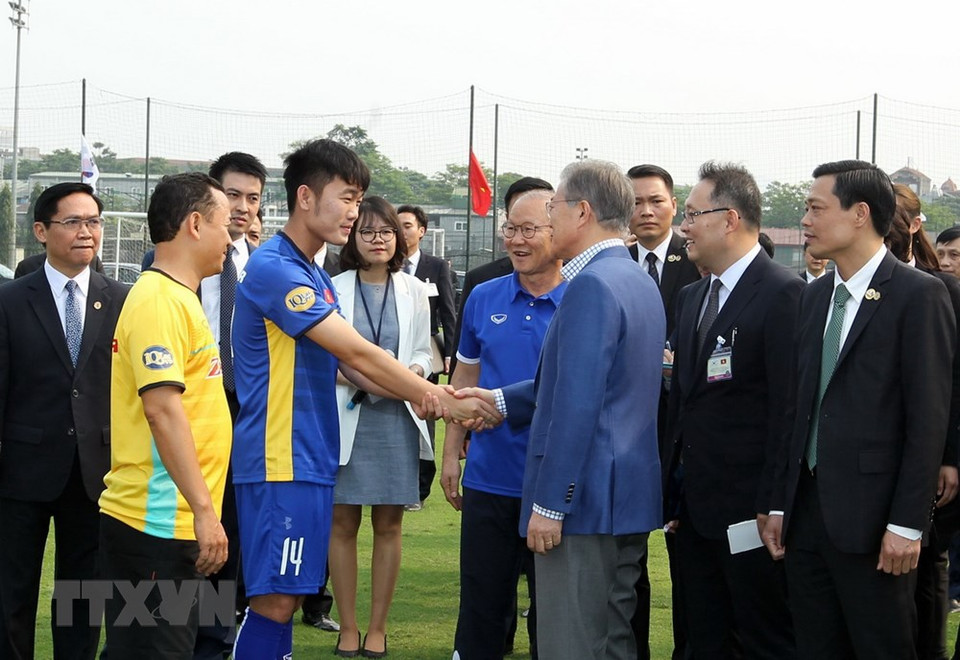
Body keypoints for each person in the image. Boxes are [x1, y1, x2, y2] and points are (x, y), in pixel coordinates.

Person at [229, 139, 496, 660]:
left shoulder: (311, 273)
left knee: (286, 597)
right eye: (347, 197)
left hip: (308, 458)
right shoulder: (275, 268)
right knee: (274, 599)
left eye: (360, 200)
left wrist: (437, 395)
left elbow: (353, 367)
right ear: (305, 197)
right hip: (278, 459)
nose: (355, 211)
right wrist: (437, 396)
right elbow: (357, 351)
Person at [460, 159, 664, 659]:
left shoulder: (592, 285)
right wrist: (501, 400)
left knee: (570, 645)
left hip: (584, 506)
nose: (547, 219)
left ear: (583, 212)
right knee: (611, 640)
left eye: (553, 207)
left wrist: (550, 504)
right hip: (621, 500)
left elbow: (578, 405)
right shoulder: (634, 278)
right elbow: (584, 380)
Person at [763, 160, 955, 659]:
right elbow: (796, 407)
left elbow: (927, 420)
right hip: (806, 521)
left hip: (875, 526)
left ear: (859, 214)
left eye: (815, 208)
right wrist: (781, 502)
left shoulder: (919, 296)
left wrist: (908, 523)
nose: (805, 220)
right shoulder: (812, 297)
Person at [664, 161, 800, 660]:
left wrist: (777, 503)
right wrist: (673, 495)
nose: (684, 227)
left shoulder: (785, 294)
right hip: (693, 513)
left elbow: (790, 411)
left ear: (730, 219)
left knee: (763, 638)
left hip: (753, 514)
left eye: (694, 214)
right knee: (703, 637)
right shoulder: (693, 295)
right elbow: (684, 404)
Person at [99, 172, 234, 657]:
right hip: (155, 523)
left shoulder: (178, 297)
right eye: (224, 224)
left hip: (170, 523)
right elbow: (161, 410)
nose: (231, 238)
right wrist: (203, 511)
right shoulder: (159, 300)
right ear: (195, 224)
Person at [0, 183, 127, 659]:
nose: (86, 232)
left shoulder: (123, 299)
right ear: (41, 231)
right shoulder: (11, 301)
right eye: (72, 222)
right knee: (12, 592)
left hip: (97, 471)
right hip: (22, 470)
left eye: (93, 222)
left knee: (82, 596)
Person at [442, 188, 564, 660]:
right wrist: (452, 452)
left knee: (551, 614)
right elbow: (464, 377)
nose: (516, 239)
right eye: (510, 228)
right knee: (482, 604)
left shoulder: (582, 297)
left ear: (559, 232)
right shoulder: (484, 296)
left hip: (552, 484)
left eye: (528, 229)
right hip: (490, 478)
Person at [326, 196, 433, 657]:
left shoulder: (414, 290)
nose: (377, 240)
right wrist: (371, 379)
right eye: (367, 231)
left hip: (396, 419)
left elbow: (427, 353)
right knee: (342, 523)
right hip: (347, 416)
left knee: (389, 525)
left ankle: (377, 628)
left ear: (400, 237)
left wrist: (412, 369)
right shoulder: (332, 287)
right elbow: (323, 356)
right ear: (353, 236)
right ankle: (348, 628)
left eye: (386, 232)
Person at [625, 163, 700, 660]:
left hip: (684, 435)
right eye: (635, 202)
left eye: (656, 200)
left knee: (690, 563)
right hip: (628, 433)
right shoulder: (609, 263)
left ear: (674, 204)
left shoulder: (698, 260)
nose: (646, 211)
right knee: (626, 560)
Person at [885, 183, 960, 660]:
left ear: (915, 225)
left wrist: (949, 457)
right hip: (875, 456)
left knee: (927, 561)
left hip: (931, 461)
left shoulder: (942, 289)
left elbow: (952, 384)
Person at [397, 203, 457, 509]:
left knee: (425, 415)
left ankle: (419, 489)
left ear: (421, 231)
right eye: (398, 225)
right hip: (392, 353)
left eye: (407, 225)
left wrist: (450, 354)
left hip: (427, 351)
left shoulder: (436, 267)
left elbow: (448, 312)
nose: (401, 231)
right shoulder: (386, 264)